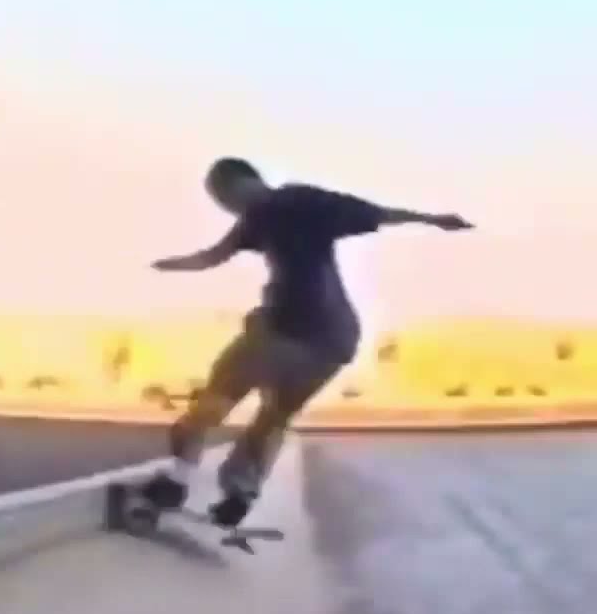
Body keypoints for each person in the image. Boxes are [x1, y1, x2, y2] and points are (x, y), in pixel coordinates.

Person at [138, 157, 473, 527]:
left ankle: (177, 481)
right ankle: (239, 495)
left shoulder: (289, 202)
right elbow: (211, 257)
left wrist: (430, 219)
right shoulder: (267, 214)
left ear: (240, 183)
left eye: (223, 197)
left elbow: (210, 258)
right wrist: (432, 220)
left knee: (216, 398)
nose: (227, 207)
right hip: (336, 342)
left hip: (285, 329)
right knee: (275, 415)